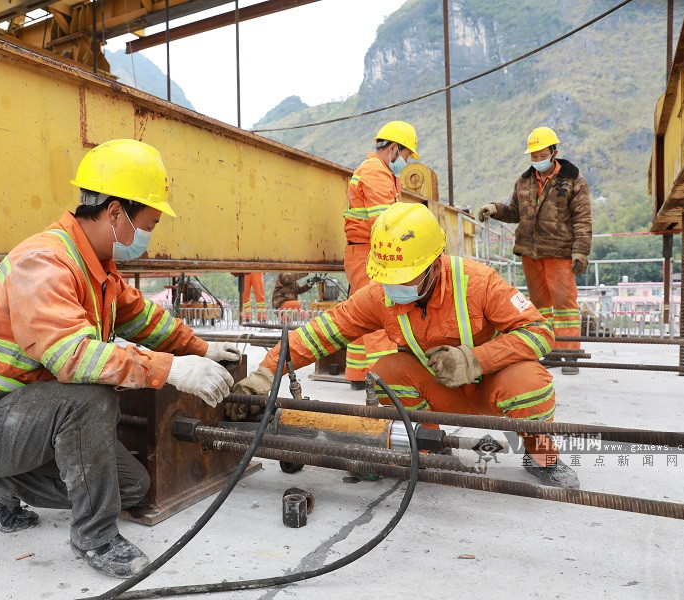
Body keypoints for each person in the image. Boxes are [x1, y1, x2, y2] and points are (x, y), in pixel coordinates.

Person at [0, 139, 242, 578]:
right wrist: (170, 369)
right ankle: (95, 538)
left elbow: (142, 318)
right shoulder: (42, 263)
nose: (149, 237)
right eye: (150, 224)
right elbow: (73, 358)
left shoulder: (97, 267)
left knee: (133, 486)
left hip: (29, 418)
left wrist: (201, 349)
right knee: (90, 399)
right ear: (116, 213)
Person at [231, 203, 578, 489]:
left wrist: (475, 360)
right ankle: (429, 447)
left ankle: (542, 455)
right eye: (387, 276)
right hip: (439, 392)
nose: (393, 285)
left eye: (403, 276)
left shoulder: (479, 282)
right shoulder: (381, 294)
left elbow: (539, 332)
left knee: (530, 384)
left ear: (433, 263)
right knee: (387, 373)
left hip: (491, 386)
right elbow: (322, 332)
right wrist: (268, 371)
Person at [478, 126, 592, 375]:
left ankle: (570, 355)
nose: (538, 160)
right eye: (534, 156)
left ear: (554, 152)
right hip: (531, 253)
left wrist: (580, 251)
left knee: (565, 306)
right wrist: (495, 209)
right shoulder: (524, 181)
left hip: (560, 252)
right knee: (539, 307)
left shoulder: (573, 181)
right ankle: (548, 351)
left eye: (542, 155)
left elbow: (583, 218)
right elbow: (515, 212)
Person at [342, 121, 418, 389]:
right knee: (376, 312)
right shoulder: (375, 172)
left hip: (362, 251)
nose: (406, 162)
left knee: (360, 311)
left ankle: (357, 374)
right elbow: (384, 223)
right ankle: (383, 379)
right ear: (394, 148)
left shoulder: (383, 171)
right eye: (407, 156)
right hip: (367, 253)